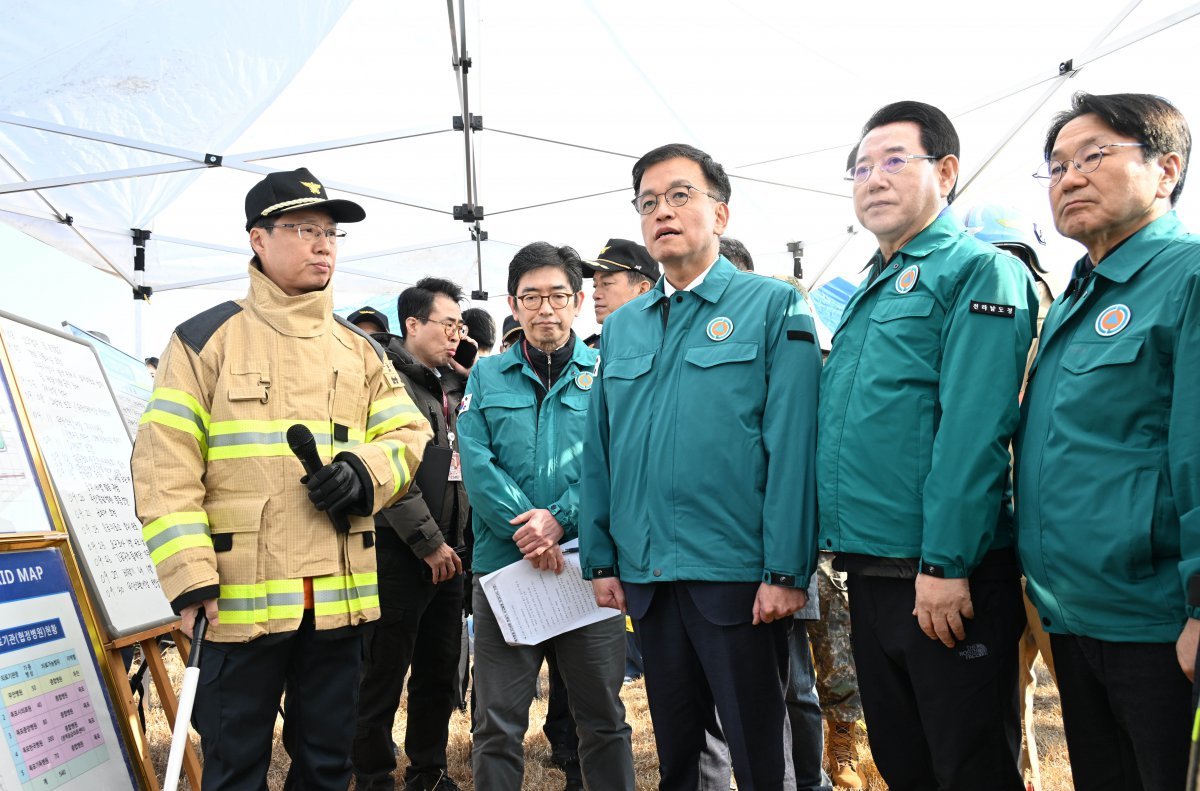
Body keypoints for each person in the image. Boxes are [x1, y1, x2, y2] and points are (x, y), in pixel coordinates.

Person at [132, 167, 431, 790]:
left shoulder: (363, 350)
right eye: (303, 228)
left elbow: (409, 437)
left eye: (330, 232)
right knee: (234, 768)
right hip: (237, 599)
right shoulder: (203, 340)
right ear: (257, 239)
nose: (323, 243)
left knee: (327, 767)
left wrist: (362, 473)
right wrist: (189, 581)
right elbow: (165, 469)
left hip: (339, 602)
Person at [580, 142, 822, 790]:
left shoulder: (773, 306)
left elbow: (794, 446)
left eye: (680, 195)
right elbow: (602, 450)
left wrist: (785, 569)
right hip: (652, 579)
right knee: (681, 754)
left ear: (721, 212)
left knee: (760, 755)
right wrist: (601, 559)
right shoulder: (624, 328)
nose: (663, 211)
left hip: (740, 578)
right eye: (648, 202)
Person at [818, 102, 1036, 791]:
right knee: (905, 761)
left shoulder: (977, 271)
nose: (872, 179)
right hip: (874, 570)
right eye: (860, 166)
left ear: (945, 171)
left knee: (968, 766)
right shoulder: (868, 288)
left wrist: (945, 562)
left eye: (892, 161)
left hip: (943, 574)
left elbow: (973, 432)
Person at [1014, 91, 1199, 791]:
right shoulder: (1076, 294)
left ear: (1167, 169)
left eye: (1093, 156)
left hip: (1160, 629)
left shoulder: (1186, 278)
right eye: (1056, 166)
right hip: (1078, 618)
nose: (1070, 177)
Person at [457, 242, 634, 790]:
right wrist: (533, 532)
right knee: (496, 724)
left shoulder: (609, 374)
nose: (545, 309)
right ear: (513, 304)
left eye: (558, 295)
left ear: (578, 300)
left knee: (603, 721)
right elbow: (477, 464)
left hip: (589, 570)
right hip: (505, 571)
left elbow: (618, 458)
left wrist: (559, 518)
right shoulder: (486, 379)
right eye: (531, 297)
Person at [352, 278, 471, 791]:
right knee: (382, 673)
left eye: (460, 326)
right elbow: (389, 473)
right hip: (400, 555)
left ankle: (429, 768)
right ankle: (374, 774)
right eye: (447, 324)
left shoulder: (449, 384)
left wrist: (453, 543)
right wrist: (428, 542)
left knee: (438, 671)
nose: (456, 335)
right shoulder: (383, 381)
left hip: (450, 554)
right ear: (412, 324)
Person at [963, 202, 1058, 791]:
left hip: (1055, 554)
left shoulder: (1064, 337)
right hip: (988, 550)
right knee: (1000, 704)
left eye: (1017, 261)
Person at [581, 237, 659, 347]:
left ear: (642, 290)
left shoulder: (670, 346)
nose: (595, 295)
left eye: (606, 283)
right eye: (595, 286)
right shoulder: (589, 353)